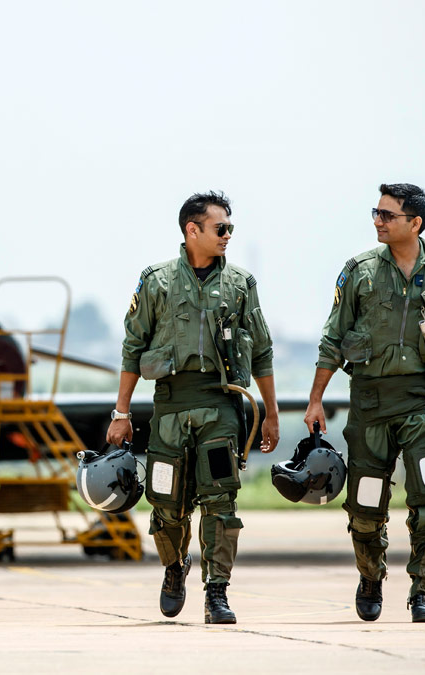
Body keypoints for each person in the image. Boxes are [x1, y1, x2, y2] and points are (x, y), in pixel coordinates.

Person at [304, 183, 425, 623]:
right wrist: (316, 398)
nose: (377, 221)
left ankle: (424, 593)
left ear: (416, 223)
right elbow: (333, 338)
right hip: (369, 405)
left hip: (424, 404)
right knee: (366, 505)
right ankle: (371, 577)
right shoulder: (360, 271)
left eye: (387, 215)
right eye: (376, 212)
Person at [107, 191, 279, 624]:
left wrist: (271, 413)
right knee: (166, 502)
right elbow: (133, 348)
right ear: (192, 230)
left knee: (220, 501)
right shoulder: (156, 282)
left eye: (229, 229)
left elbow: (261, 352)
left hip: (221, 405)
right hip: (169, 406)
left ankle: (216, 592)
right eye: (220, 228)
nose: (227, 236)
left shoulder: (241, 285)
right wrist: (121, 413)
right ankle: (173, 568)